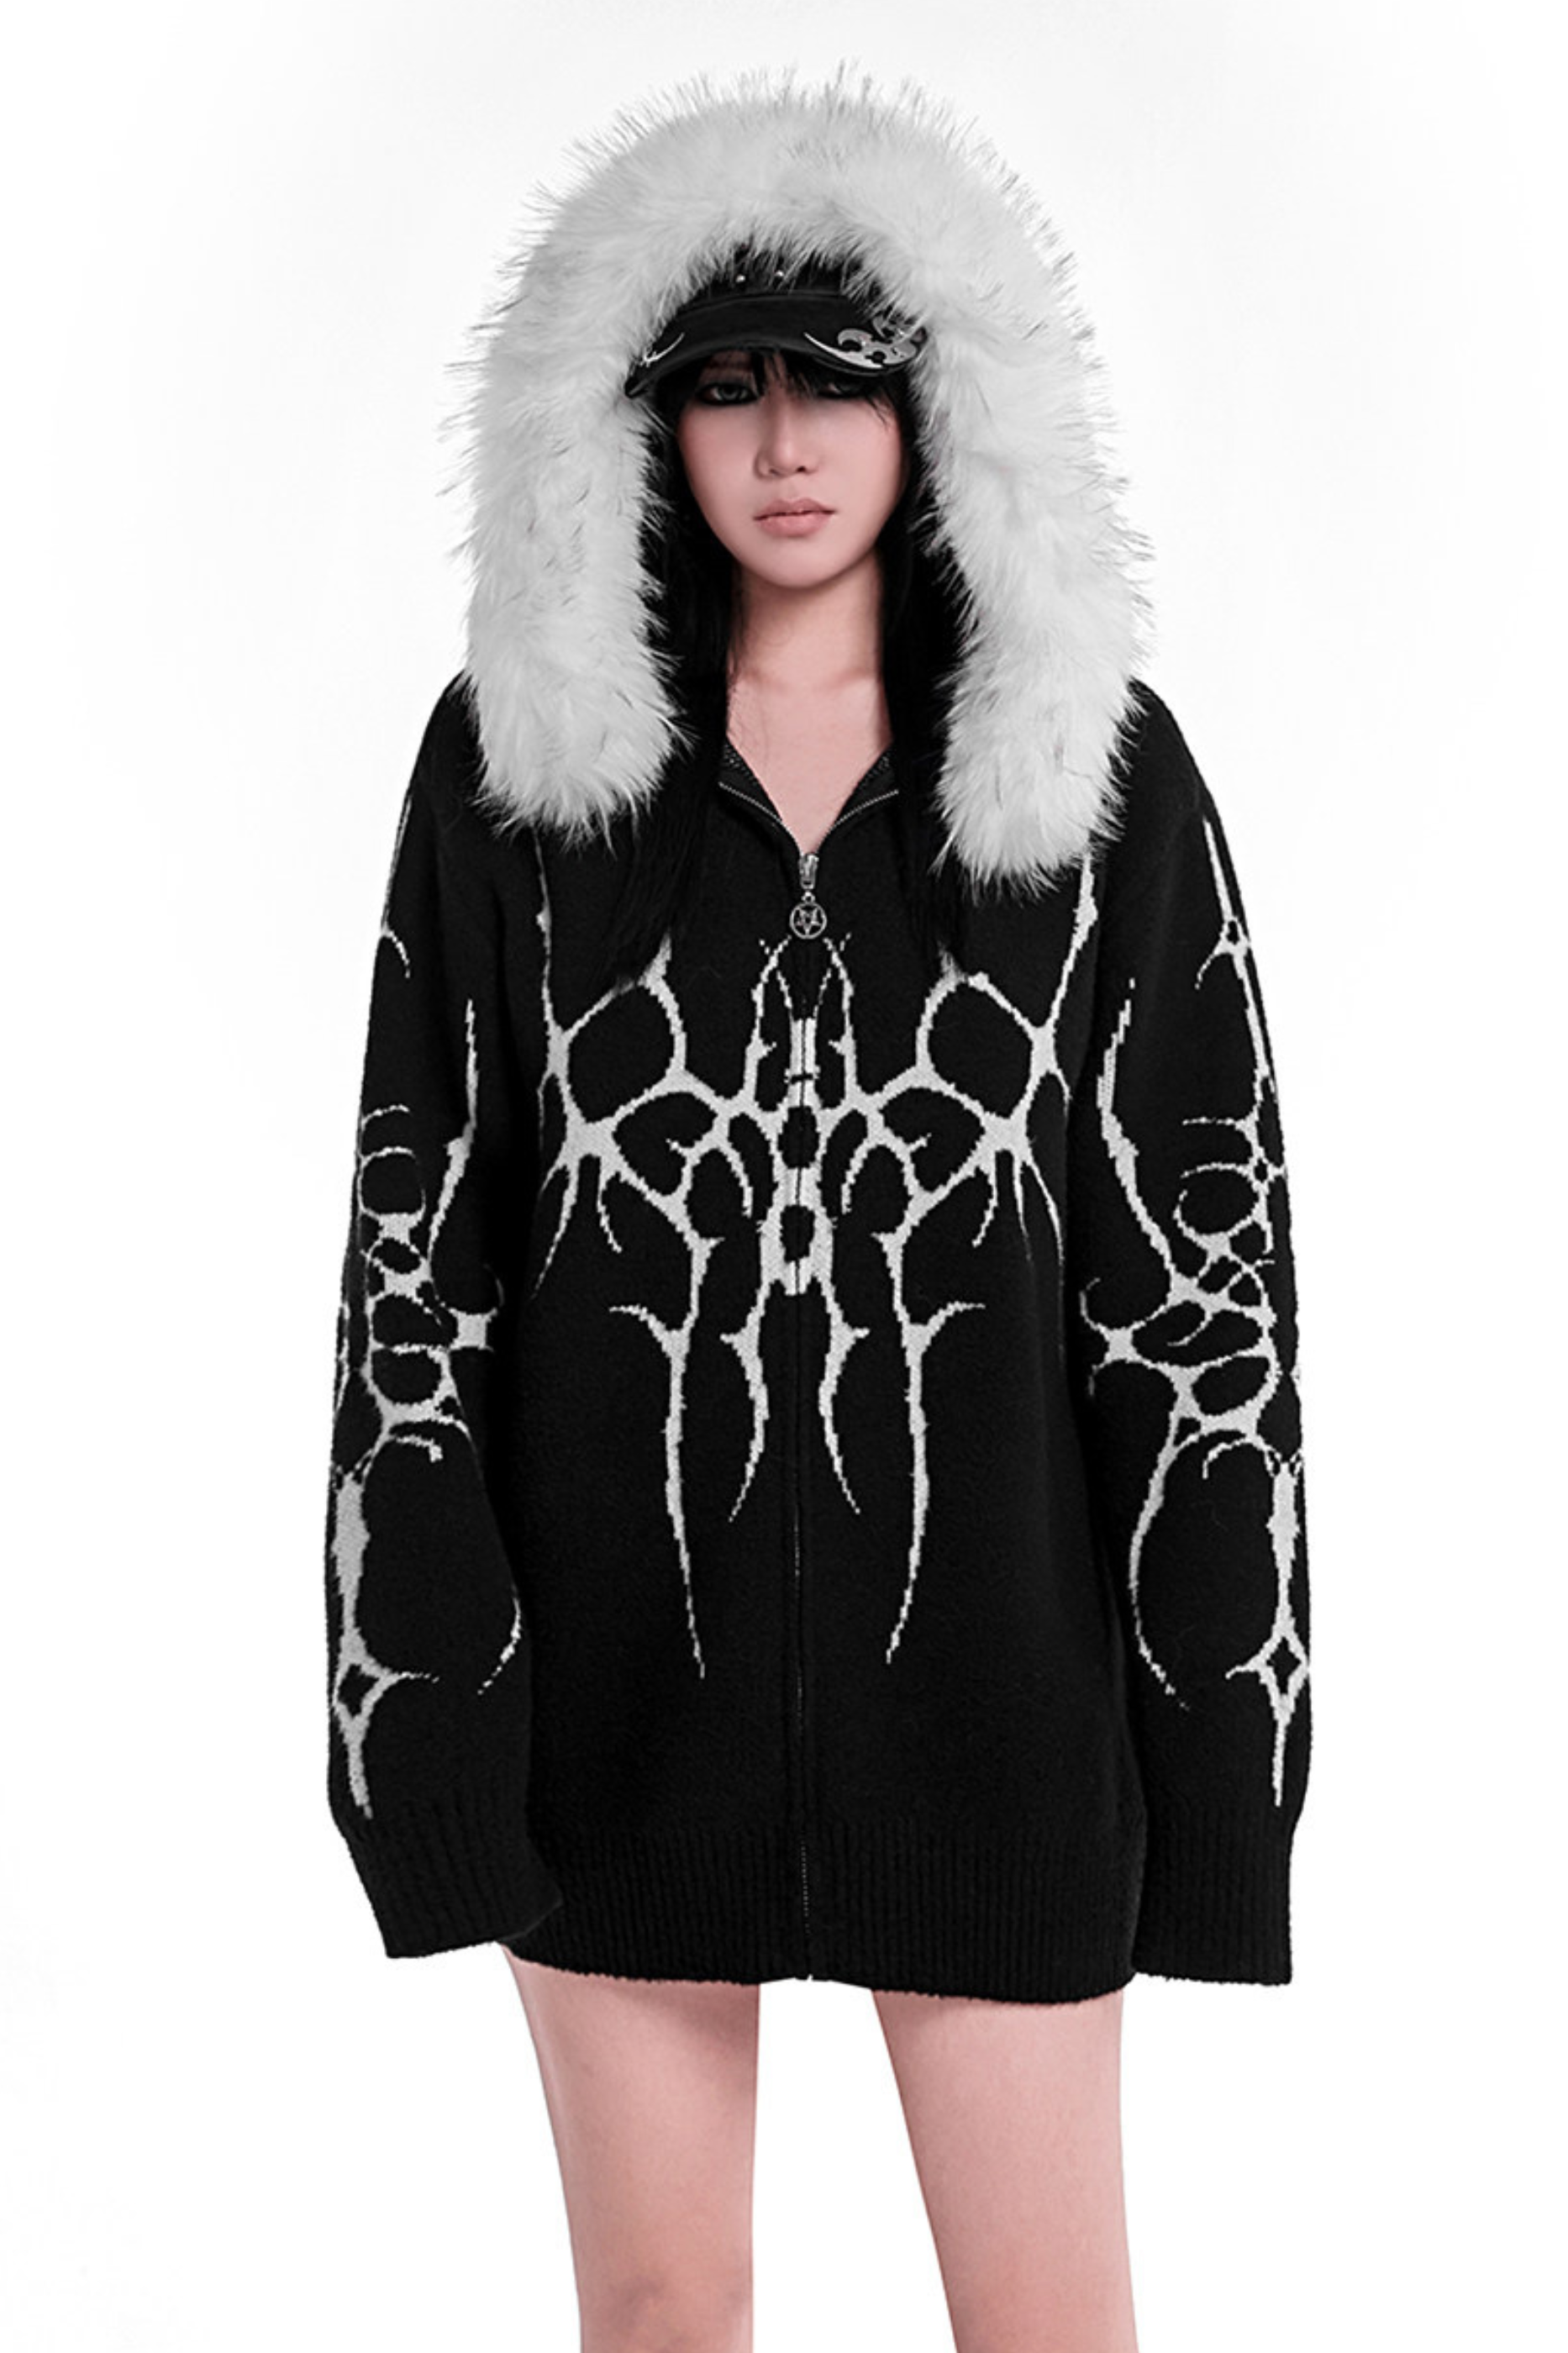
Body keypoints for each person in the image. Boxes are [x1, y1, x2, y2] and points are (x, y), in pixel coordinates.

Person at [324, 63, 1313, 2353]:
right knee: (663, 2317)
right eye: (724, 386)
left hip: (1011, 1721)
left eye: (840, 381)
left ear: (939, 408)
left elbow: (1206, 1294)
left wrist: (1222, 1774)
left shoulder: (1093, 781)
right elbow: (411, 1272)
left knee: (1048, 2323)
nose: (784, 442)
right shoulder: (516, 784)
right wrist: (427, 1733)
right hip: (610, 1724)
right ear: (634, 424)